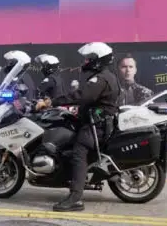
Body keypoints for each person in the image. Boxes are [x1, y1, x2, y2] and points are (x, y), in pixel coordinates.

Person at [36, 42, 121, 212]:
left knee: (79, 152)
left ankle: (75, 197)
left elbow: (82, 96)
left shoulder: (100, 78)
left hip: (96, 125)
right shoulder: (107, 75)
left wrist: (52, 101)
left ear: (98, 60)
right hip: (97, 121)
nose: (86, 62)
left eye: (89, 58)